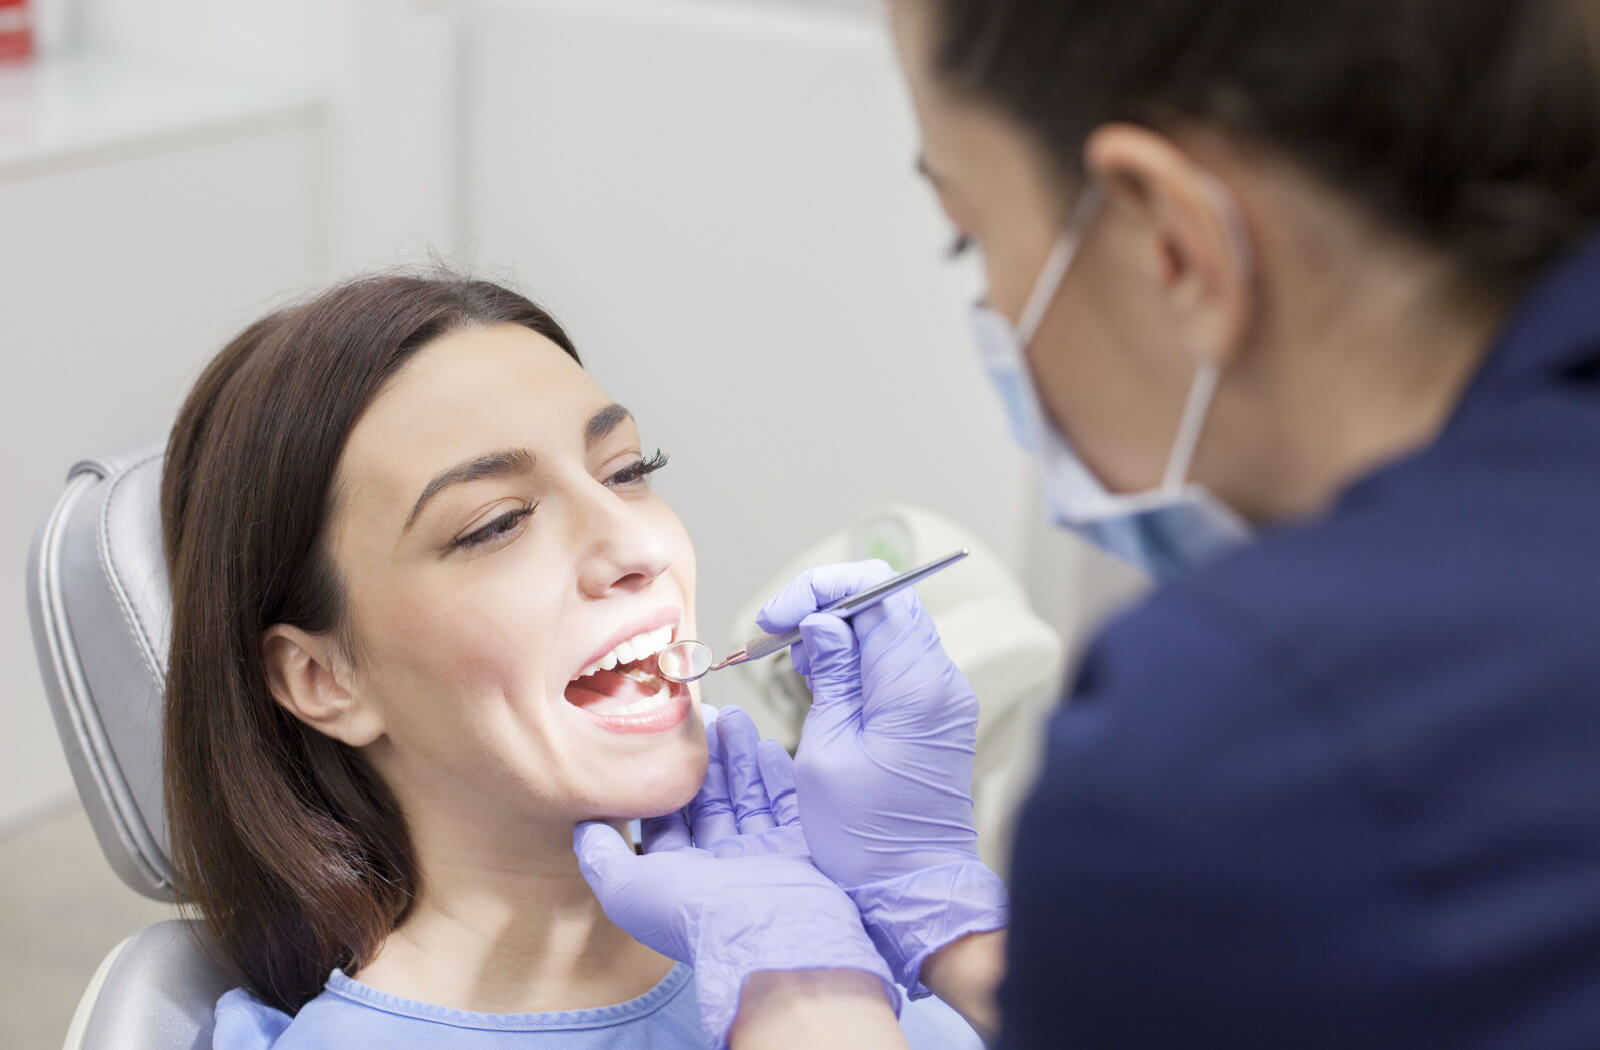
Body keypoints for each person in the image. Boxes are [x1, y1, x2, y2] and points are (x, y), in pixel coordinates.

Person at [574, 1, 1600, 1047]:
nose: (627, 548)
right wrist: (949, 923)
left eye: (963, 235)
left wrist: (807, 991)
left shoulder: (1263, 724)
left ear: (1172, 239)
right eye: (494, 523)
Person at [161, 274, 975, 1050]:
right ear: (322, 678)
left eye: (626, 472)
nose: (636, 543)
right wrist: (804, 997)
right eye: (496, 523)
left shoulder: (844, 932)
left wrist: (949, 919)